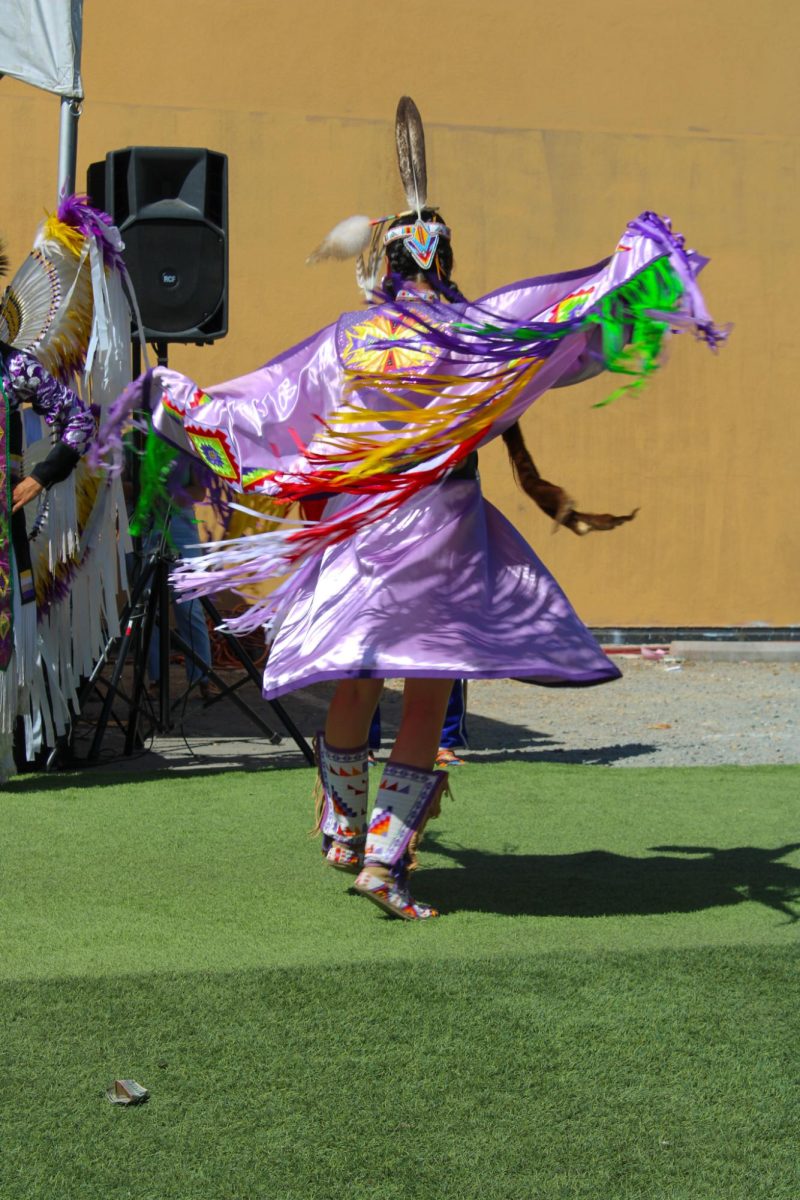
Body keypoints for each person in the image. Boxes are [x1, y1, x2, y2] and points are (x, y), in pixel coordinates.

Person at [98, 99, 723, 920]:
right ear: (439, 259)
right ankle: (382, 864)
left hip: (368, 533)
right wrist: (641, 267)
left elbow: (271, 407)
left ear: (385, 265)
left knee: (360, 679)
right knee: (426, 691)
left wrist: (182, 398)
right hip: (440, 531)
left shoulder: (352, 341)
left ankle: (343, 824)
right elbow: (565, 326)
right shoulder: (477, 332)